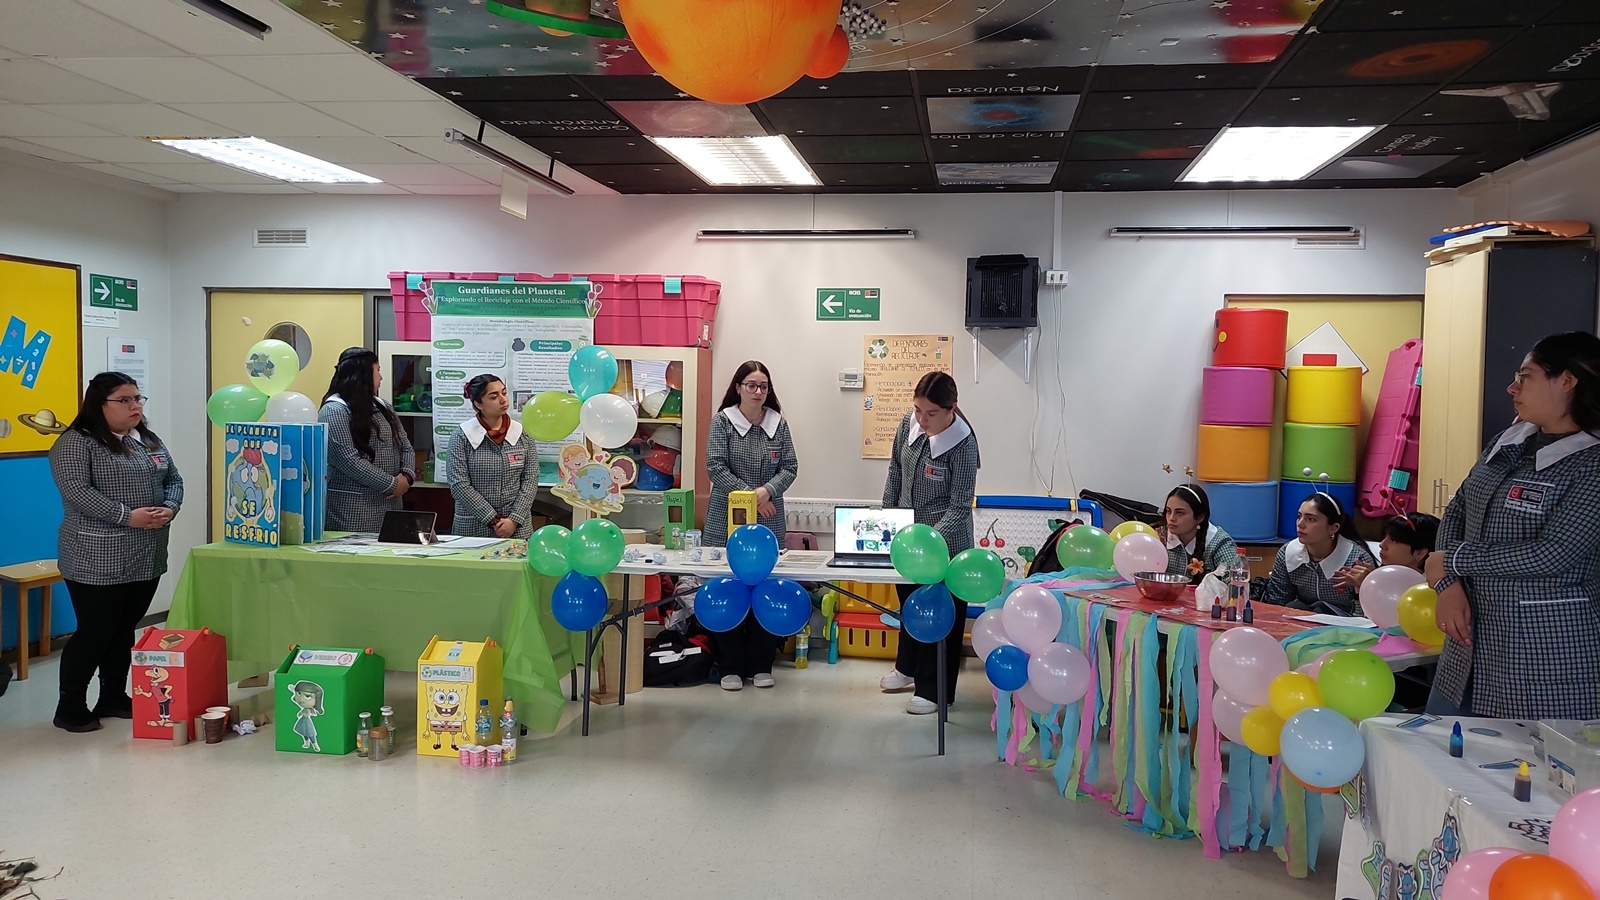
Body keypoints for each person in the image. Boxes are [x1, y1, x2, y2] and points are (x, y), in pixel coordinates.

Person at [1426, 332, 1600, 719]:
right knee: (1441, 755)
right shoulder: (1508, 442)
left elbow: (1552, 554)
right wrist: (1447, 584)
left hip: (1542, 658)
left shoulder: (1591, 463)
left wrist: (1451, 560)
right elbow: (1457, 509)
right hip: (1467, 651)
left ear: (1568, 381)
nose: (1512, 387)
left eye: (1527, 376)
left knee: (1524, 773)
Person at [48, 372, 183, 733]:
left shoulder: (147, 440)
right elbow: (78, 492)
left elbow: (174, 479)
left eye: (138, 398)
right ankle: (70, 705)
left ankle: (112, 697)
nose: (135, 406)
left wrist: (170, 506)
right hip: (95, 556)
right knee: (95, 630)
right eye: (125, 400)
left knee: (125, 630)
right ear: (99, 404)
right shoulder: (77, 443)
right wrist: (128, 516)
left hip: (146, 553)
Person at [878, 372, 980, 715]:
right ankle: (906, 668)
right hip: (908, 539)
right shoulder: (910, 425)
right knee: (910, 607)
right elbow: (895, 471)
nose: (922, 419)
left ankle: (935, 690)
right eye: (918, 410)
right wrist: (888, 518)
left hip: (946, 543)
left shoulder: (963, 444)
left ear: (951, 408)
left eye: (931, 413)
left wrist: (928, 542)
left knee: (939, 615)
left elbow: (959, 505)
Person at [704, 360, 798, 691]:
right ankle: (729, 664)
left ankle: (761, 663)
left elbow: (790, 467)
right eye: (752, 385)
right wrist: (752, 497)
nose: (758, 392)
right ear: (738, 387)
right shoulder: (723, 422)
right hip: (726, 518)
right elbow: (715, 468)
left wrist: (766, 492)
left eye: (763, 386)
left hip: (770, 519)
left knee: (766, 588)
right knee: (727, 589)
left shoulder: (778, 424)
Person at [318, 347, 415, 532]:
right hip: (353, 509)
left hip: (391, 504)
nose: (381, 377)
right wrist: (392, 484)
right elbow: (348, 460)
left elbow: (406, 445)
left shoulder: (383, 406)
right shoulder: (334, 410)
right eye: (377, 370)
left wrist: (407, 476)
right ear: (362, 374)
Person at [445, 374, 539, 538]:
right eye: (494, 396)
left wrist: (514, 519)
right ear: (478, 404)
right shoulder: (462, 436)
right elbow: (458, 484)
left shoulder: (522, 434)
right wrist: (493, 520)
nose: (503, 400)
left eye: (504, 393)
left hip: (516, 527)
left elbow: (531, 479)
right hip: (473, 525)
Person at [1264, 492, 1375, 614]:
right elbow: (1278, 605)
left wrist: (1361, 588)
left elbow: (1367, 616)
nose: (1300, 524)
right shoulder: (1288, 552)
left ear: (1333, 528)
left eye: (1310, 519)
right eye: (1299, 516)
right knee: (1294, 606)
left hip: (1344, 625)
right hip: (1304, 622)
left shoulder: (1357, 559)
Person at [1160, 484, 1239, 583]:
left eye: (1179, 513)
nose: (1171, 518)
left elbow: (1235, 588)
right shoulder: (1160, 538)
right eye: (1168, 511)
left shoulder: (1220, 544)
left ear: (1200, 517)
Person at [1339, 512, 1439, 586]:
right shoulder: (1384, 576)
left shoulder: (1433, 588)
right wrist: (1361, 587)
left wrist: (1370, 585)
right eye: (1384, 537)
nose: (1382, 545)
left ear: (1420, 553)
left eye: (1394, 540)